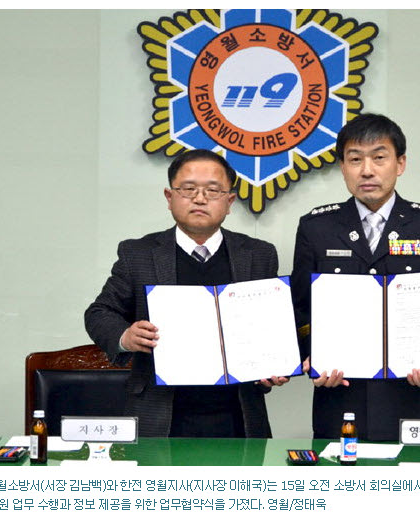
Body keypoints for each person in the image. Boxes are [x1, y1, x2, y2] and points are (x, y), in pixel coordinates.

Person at [290, 113, 420, 440]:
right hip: (341, 394)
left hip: (414, 397)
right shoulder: (316, 228)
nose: (367, 170)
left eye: (379, 157)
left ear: (400, 164)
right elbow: (301, 309)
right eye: (355, 159)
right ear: (343, 167)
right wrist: (314, 355)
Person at [85, 149, 288, 438]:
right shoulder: (138, 254)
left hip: (238, 415)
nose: (200, 198)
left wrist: (274, 365)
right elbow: (99, 313)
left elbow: (270, 327)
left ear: (230, 201)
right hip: (159, 415)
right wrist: (125, 336)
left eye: (213, 190)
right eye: (189, 189)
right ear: (169, 198)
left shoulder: (258, 255)